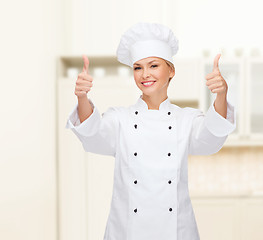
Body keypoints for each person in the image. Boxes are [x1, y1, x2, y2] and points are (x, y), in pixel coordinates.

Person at [66, 22, 236, 240]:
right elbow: (93, 134)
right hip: (128, 231)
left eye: (153, 65)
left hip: (176, 231)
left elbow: (211, 139)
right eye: (138, 67)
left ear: (171, 70)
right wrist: (82, 97)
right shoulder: (120, 118)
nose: (145, 74)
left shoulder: (186, 119)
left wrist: (221, 95)